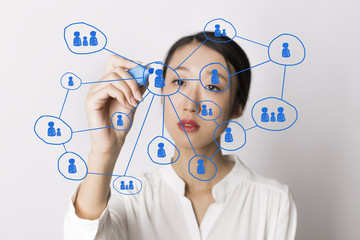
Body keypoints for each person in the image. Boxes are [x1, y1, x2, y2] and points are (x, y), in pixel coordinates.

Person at [64, 32, 297, 239]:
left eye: (213, 86)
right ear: (163, 92)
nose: (189, 103)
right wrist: (104, 151)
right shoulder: (130, 198)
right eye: (179, 81)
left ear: (237, 106)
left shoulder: (273, 202)